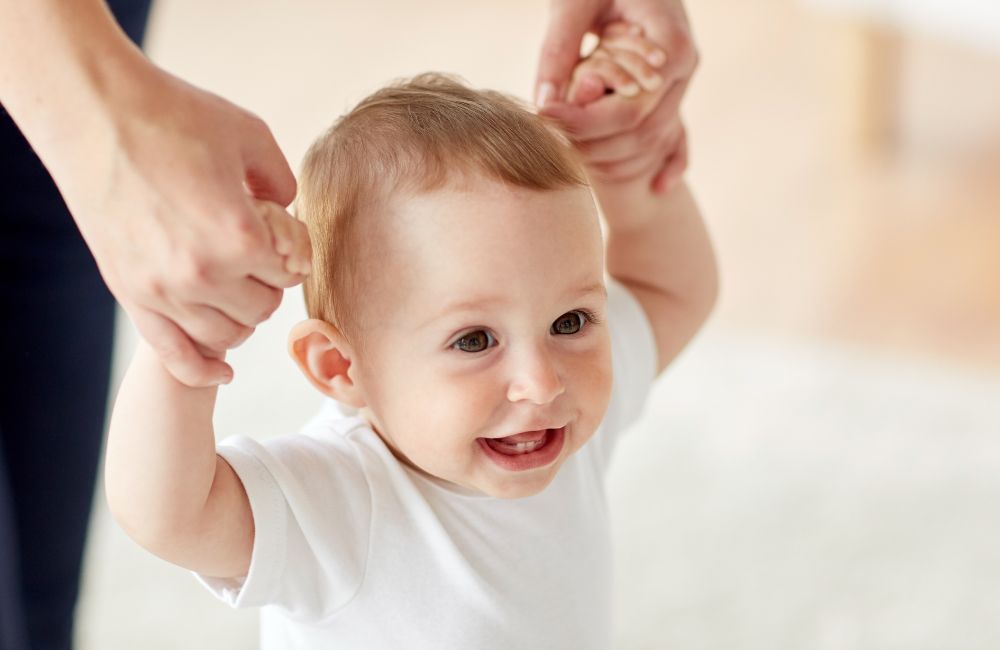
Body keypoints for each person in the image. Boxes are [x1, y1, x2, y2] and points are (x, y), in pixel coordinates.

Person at [0, 1, 697, 647]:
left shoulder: (565, 434)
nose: (541, 380)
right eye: (474, 340)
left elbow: (674, 288)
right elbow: (166, 513)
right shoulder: (339, 499)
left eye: (571, 319)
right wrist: (189, 341)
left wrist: (630, 175)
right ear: (340, 368)